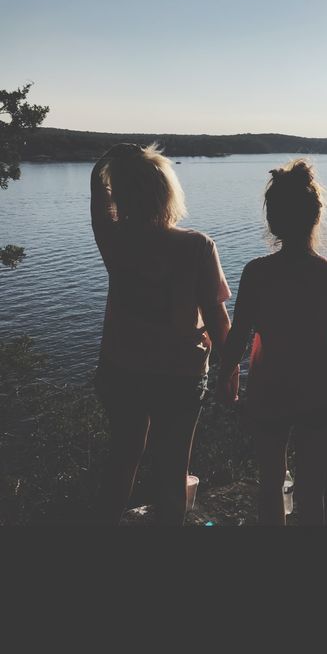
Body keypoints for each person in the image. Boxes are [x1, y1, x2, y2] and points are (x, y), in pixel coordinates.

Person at [90, 142, 235, 524]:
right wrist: (232, 367)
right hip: (178, 374)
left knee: (122, 460)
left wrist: (106, 162)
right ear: (167, 191)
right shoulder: (197, 246)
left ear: (121, 194)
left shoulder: (116, 241)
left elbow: (98, 203)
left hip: (120, 369)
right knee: (173, 471)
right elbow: (218, 319)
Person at [216, 159, 327, 525]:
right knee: (311, 493)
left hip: (269, 393)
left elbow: (239, 337)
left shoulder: (257, 273)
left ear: (273, 221)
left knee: (271, 486)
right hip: (321, 396)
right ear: (315, 216)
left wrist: (224, 378)